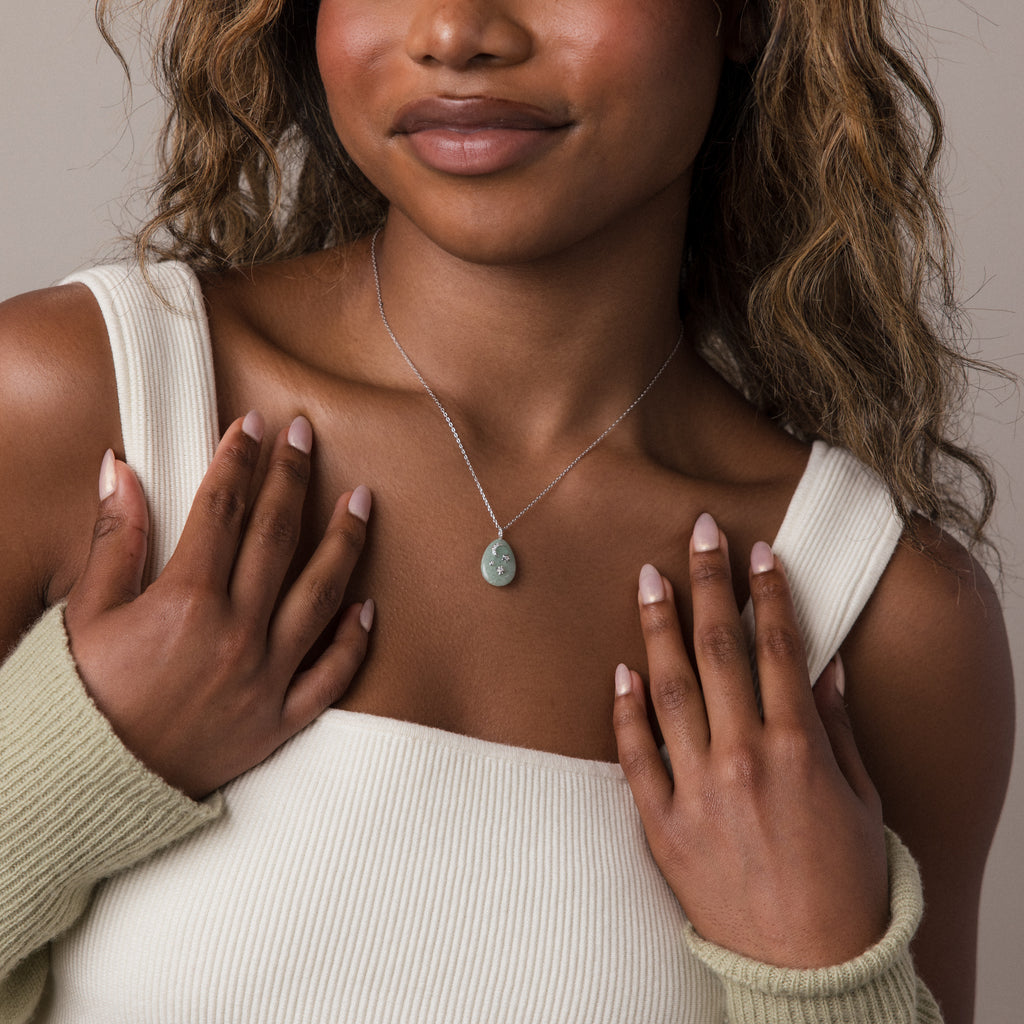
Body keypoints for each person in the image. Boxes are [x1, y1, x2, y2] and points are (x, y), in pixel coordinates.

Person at [0, 0, 1014, 1021]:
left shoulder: (877, 617)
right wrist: (62, 775)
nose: (455, 32)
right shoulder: (75, 408)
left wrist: (822, 975)